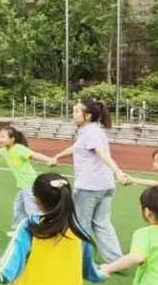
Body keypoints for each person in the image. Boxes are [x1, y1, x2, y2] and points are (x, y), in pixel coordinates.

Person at [51, 99, 129, 264]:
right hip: (104, 185)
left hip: (89, 186)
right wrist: (58, 156)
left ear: (87, 116)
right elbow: (77, 147)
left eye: (77, 111)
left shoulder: (91, 132)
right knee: (101, 223)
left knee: (80, 224)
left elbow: (103, 154)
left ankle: (79, 259)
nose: (73, 113)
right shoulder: (91, 131)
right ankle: (116, 260)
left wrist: (118, 172)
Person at [0, 126, 57, 237]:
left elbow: (34, 154)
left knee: (32, 209)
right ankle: (20, 229)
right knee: (18, 206)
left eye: (3, 137)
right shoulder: (5, 150)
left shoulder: (19, 148)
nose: (0, 139)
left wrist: (49, 159)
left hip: (29, 183)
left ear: (12, 139)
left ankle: (40, 230)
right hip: (23, 185)